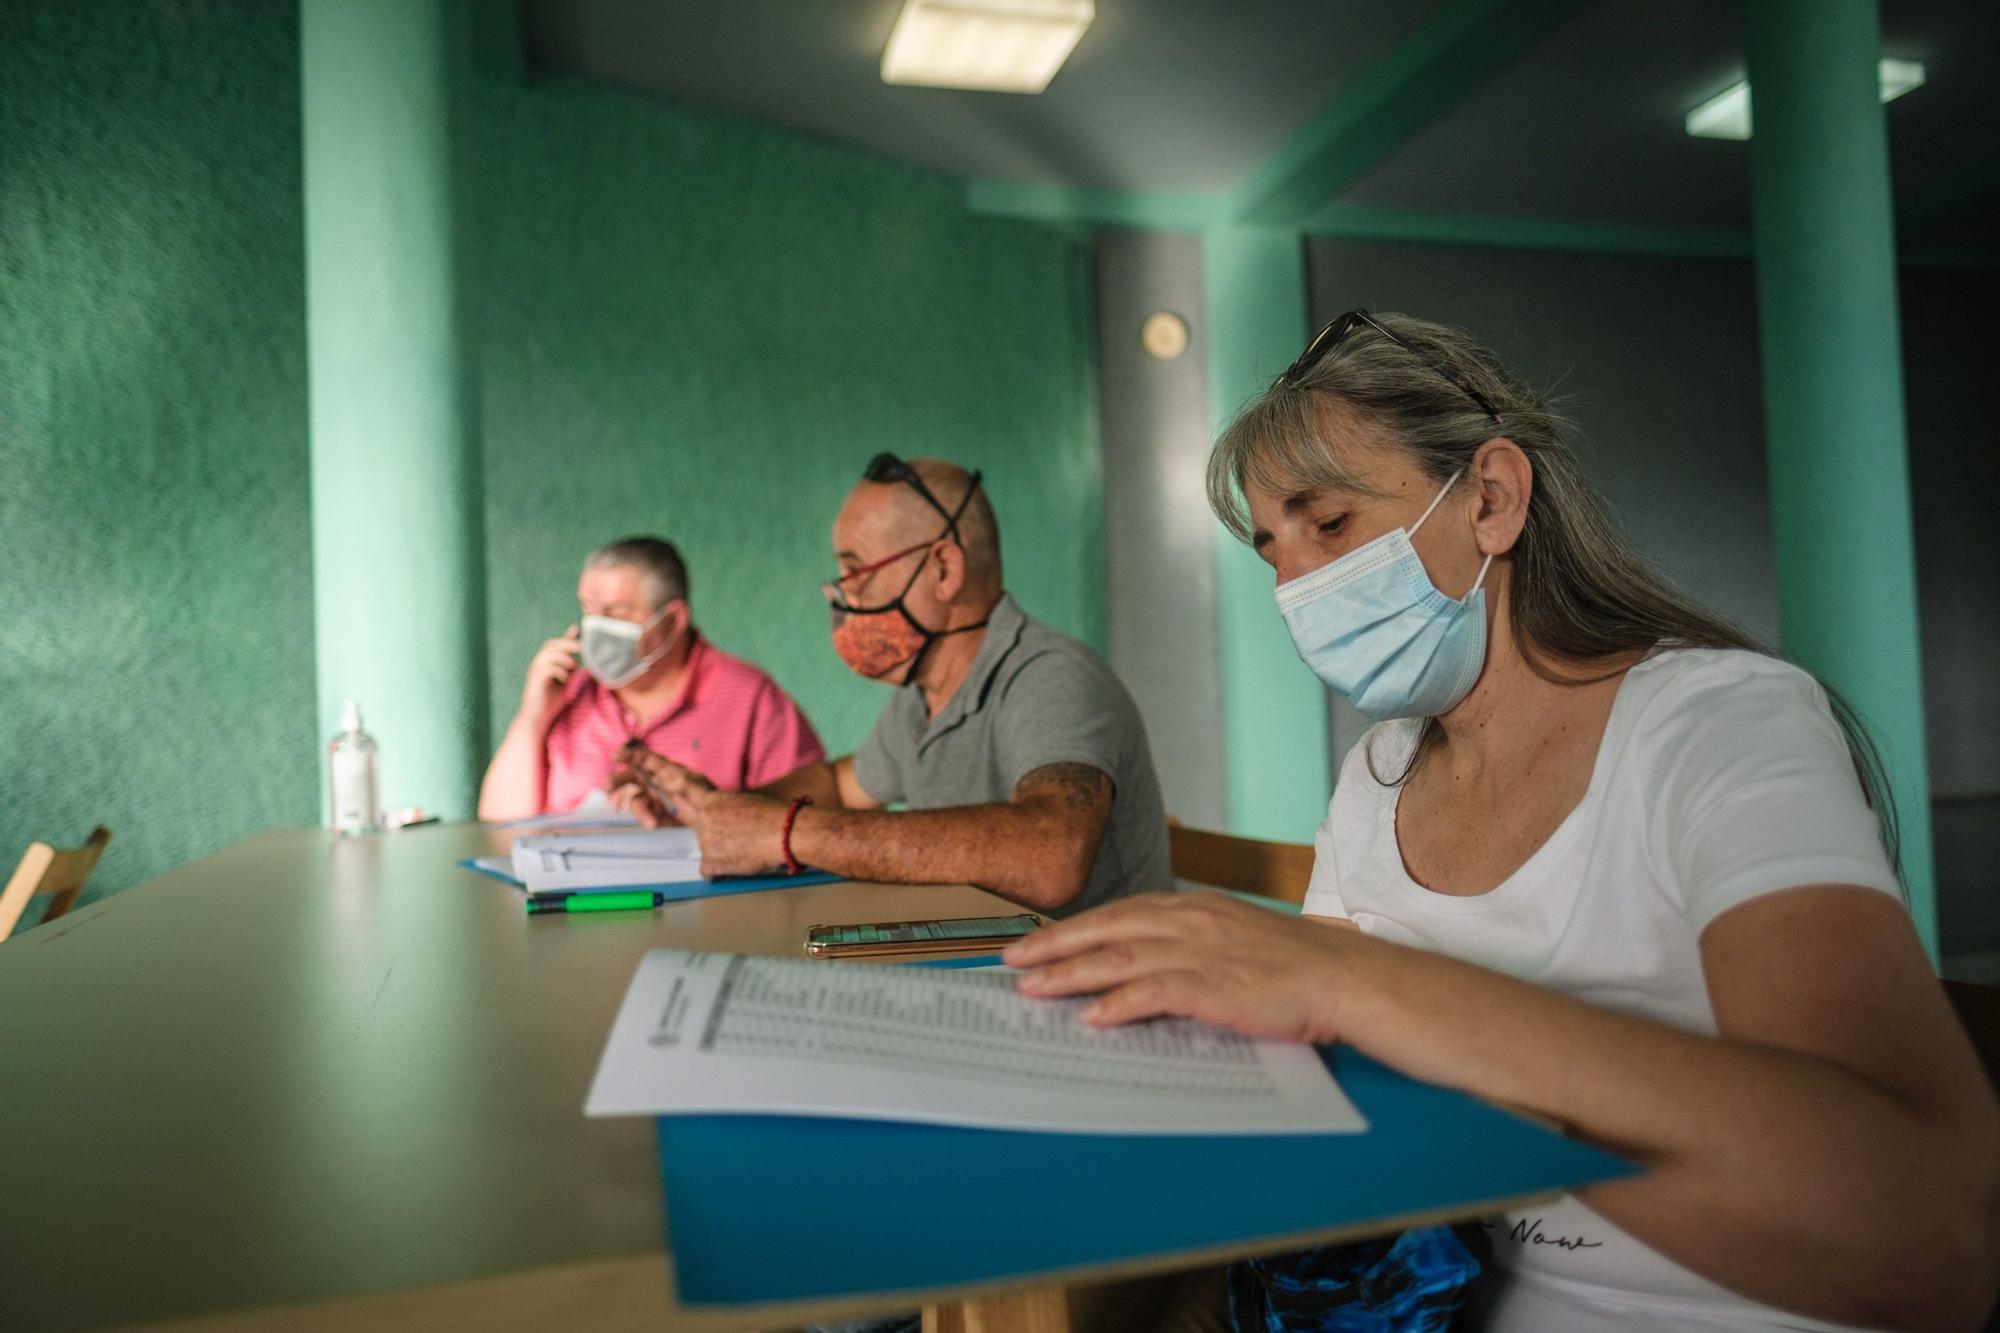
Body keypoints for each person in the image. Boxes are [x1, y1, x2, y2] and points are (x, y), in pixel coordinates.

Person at [1004, 312, 2000, 1331]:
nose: (1296, 588)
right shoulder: (1376, 776)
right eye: (1272, 553)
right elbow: (1329, 1104)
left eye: (1330, 525)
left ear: (1489, 498)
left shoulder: (1715, 724)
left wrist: (1345, 984)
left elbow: (1930, 1233)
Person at [613, 454, 1171, 917]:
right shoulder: (923, 695)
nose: (841, 596)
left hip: (1103, 1007)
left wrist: (787, 832)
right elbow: (839, 784)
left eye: (856, 572)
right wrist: (723, 809)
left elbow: (1053, 853)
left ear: (943, 570)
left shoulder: (1050, 676)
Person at [476, 536, 823, 820]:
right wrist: (533, 716)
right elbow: (500, 827)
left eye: (615, 613)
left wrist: (684, 817)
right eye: (587, 611)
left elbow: (806, 822)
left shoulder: (749, 699)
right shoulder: (569, 694)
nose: (594, 630)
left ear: (672, 621)